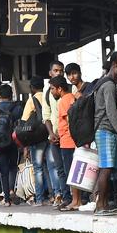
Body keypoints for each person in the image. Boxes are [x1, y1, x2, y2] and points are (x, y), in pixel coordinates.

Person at [92, 51, 117, 215]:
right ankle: (101, 205)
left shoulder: (103, 82)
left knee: (107, 168)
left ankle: (102, 204)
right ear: (114, 64)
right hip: (105, 129)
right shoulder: (109, 85)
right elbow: (111, 112)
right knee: (106, 168)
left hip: (103, 129)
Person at [21, 77, 61, 206]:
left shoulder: (31, 100)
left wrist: (25, 145)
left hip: (36, 138)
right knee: (51, 166)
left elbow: (24, 120)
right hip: (49, 135)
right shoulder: (49, 96)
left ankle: (39, 199)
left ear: (32, 88)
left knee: (38, 168)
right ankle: (56, 194)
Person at [48, 77, 79, 209]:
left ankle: (75, 200)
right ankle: (74, 199)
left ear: (59, 89)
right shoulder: (71, 97)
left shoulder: (64, 101)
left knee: (70, 172)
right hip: (69, 140)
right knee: (70, 171)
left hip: (67, 141)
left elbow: (70, 121)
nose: (51, 92)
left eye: (52, 89)